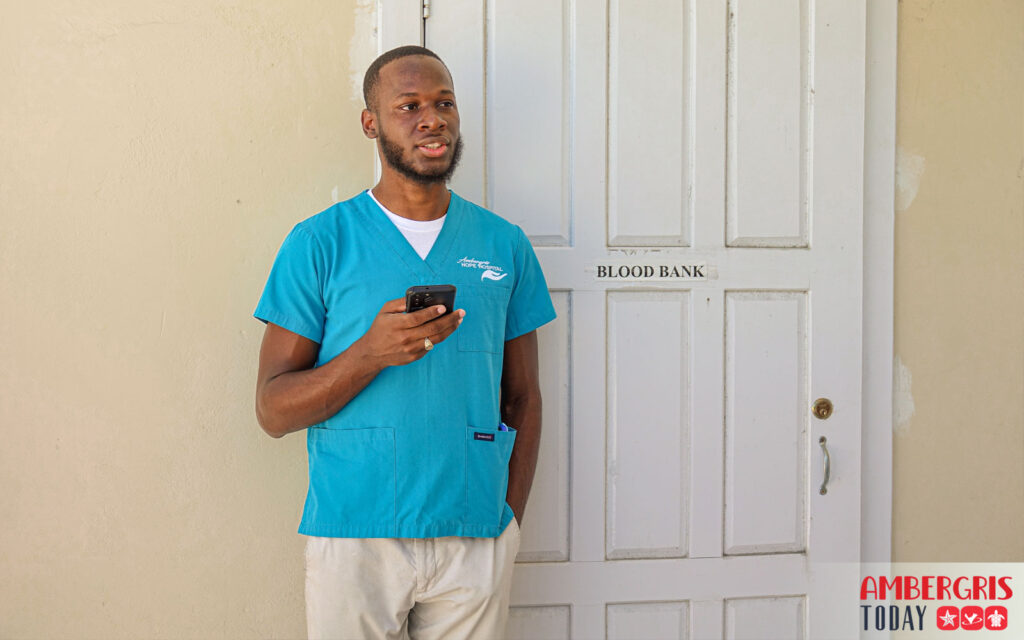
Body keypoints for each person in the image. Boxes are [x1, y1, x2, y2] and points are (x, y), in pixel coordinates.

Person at [253, 45, 556, 640]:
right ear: (372, 123)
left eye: (444, 103)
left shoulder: (504, 244)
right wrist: (370, 353)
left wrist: (509, 518)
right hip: (354, 536)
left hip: (474, 529)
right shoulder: (320, 243)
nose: (432, 117)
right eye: (408, 105)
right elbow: (271, 411)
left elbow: (523, 397)